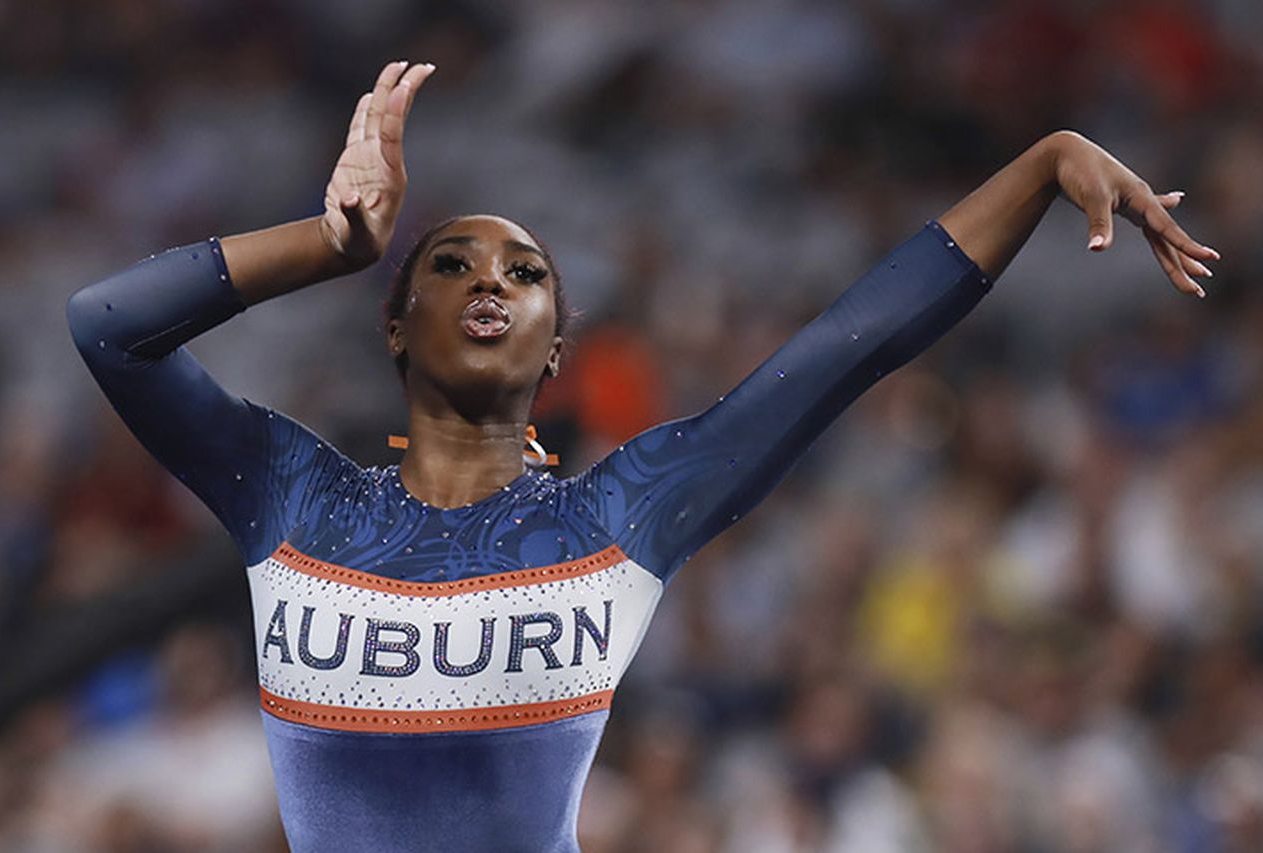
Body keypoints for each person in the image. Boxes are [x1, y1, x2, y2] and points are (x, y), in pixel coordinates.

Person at [67, 61, 1217, 852]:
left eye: (524, 275)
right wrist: (329, 242)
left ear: (556, 346)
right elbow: (106, 325)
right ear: (391, 321)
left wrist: (1039, 162)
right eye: (450, 265)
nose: (489, 284)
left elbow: (843, 349)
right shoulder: (288, 495)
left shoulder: (626, 510)